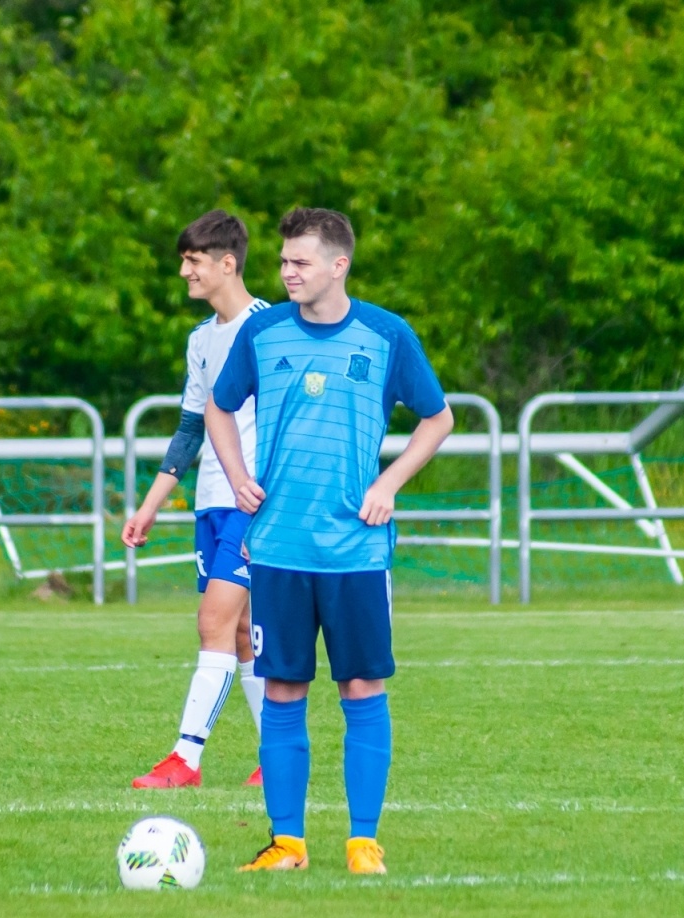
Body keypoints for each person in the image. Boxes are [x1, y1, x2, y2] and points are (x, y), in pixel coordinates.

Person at [207, 207, 454, 875]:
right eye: (284, 261)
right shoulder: (261, 333)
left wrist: (391, 482)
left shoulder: (385, 334)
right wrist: (236, 476)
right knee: (282, 690)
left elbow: (438, 417)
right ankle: (287, 844)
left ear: (338, 265)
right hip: (279, 547)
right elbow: (217, 406)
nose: (287, 272)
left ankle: (362, 842)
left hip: (356, 551)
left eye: (301, 262)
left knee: (362, 687)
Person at [123, 210, 268, 788]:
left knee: (213, 624)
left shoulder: (271, 329)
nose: (184, 271)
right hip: (210, 502)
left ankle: (186, 758)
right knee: (240, 635)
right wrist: (151, 502)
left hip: (254, 504)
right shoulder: (201, 339)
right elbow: (190, 430)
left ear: (226, 263)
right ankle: (276, 755)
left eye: (193, 260)